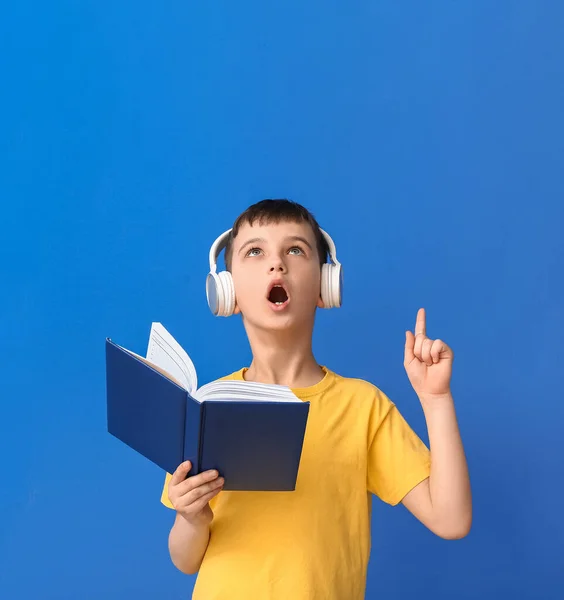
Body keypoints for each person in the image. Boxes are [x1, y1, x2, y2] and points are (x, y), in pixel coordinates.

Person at [160, 199, 472, 599]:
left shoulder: (363, 408)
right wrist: (191, 516)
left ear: (326, 286)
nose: (277, 264)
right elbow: (185, 560)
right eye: (255, 251)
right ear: (227, 291)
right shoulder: (205, 407)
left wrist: (436, 398)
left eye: (295, 250)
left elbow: (452, 519)